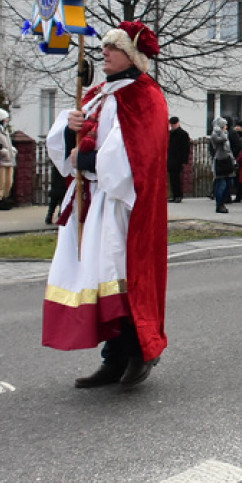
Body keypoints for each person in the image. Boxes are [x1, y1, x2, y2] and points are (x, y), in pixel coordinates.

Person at [43, 20, 168, 388]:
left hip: (123, 204)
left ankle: (137, 353)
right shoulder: (99, 92)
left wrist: (91, 161)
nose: (105, 53)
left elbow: (139, 154)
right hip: (94, 200)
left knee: (121, 277)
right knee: (99, 279)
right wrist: (71, 127)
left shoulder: (145, 95)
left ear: (131, 55)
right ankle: (112, 358)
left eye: (113, 48)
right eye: (105, 47)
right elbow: (70, 140)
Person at [0, 108, 17, 209]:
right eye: (5, 118)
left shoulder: (4, 130)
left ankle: (5, 197)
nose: (7, 120)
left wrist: (12, 150)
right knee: (0, 181)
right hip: (1, 160)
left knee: (9, 181)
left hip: (9, 160)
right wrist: (2, 151)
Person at [210, 117, 234, 213]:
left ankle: (223, 202)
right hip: (220, 161)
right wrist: (220, 131)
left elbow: (229, 149)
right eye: (224, 125)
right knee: (221, 184)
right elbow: (223, 139)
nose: (226, 127)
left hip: (228, 161)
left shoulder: (225, 133)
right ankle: (219, 204)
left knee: (229, 183)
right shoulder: (215, 135)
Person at [167, 116, 190, 203]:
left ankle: (178, 195)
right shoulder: (170, 134)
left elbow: (186, 148)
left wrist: (184, 160)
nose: (172, 126)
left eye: (174, 124)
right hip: (171, 158)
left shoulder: (183, 134)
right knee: (173, 178)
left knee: (178, 178)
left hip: (178, 160)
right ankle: (175, 195)